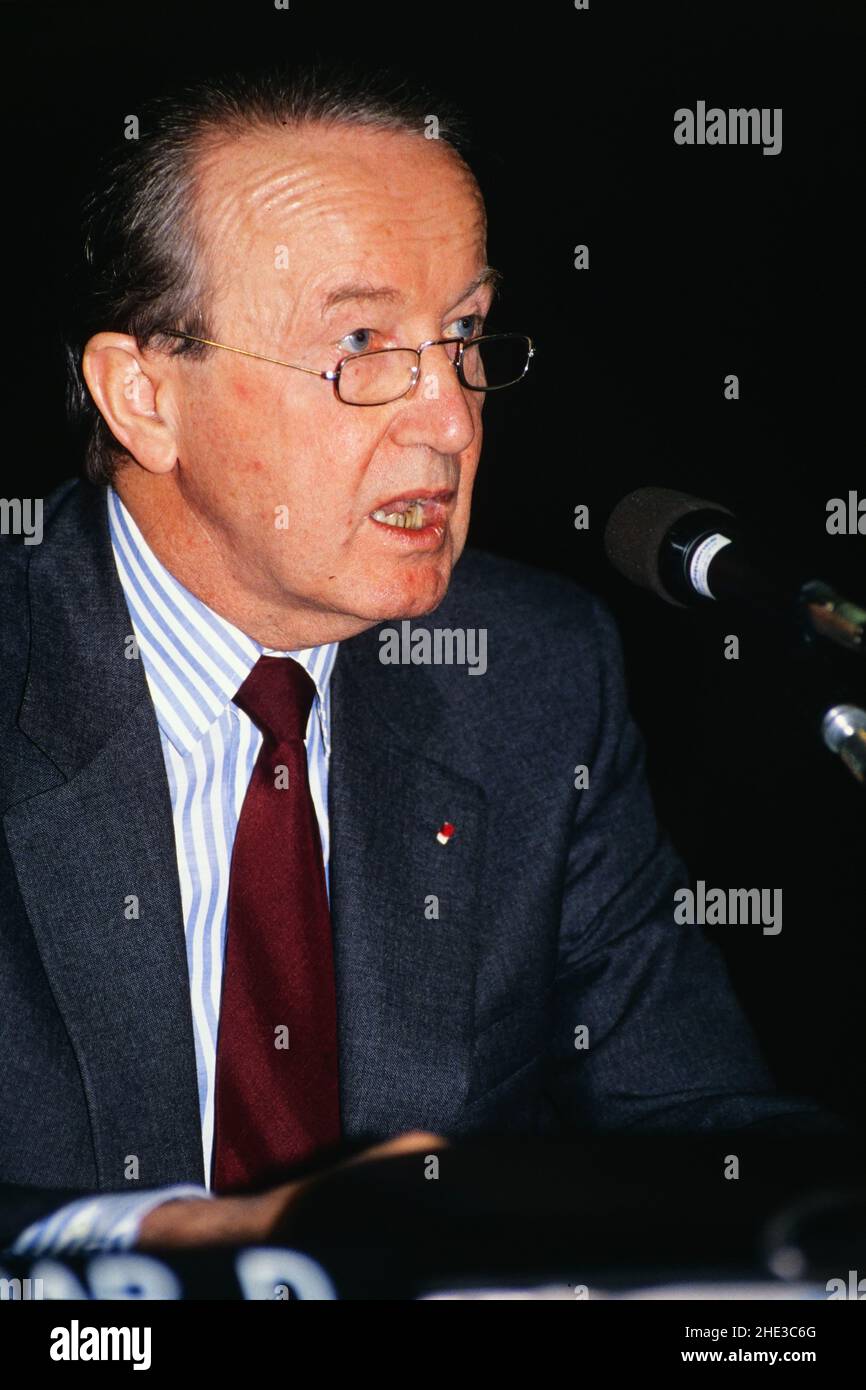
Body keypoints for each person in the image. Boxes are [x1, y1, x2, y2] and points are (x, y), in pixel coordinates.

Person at [0, 64, 839, 1260]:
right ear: (142, 396)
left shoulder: (532, 675)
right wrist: (170, 1245)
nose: (449, 419)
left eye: (464, 335)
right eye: (360, 345)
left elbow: (700, 1130)